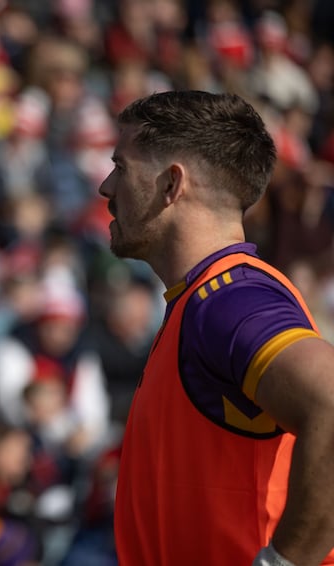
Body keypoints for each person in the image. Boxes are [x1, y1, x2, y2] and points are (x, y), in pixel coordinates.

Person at [98, 90, 334, 565]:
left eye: (121, 166)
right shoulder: (204, 300)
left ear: (171, 185)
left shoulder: (227, 299)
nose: (106, 187)